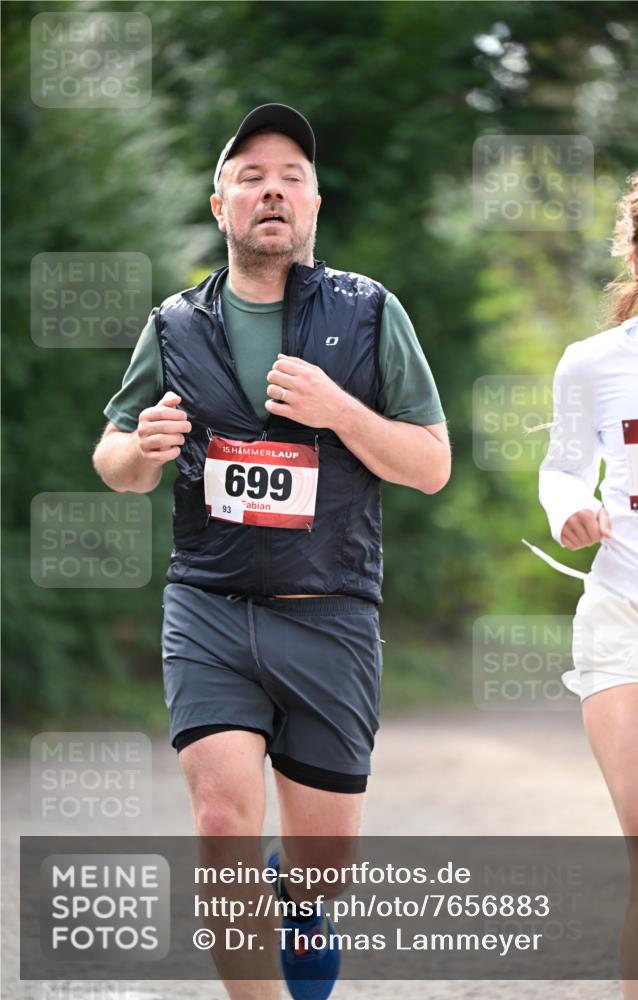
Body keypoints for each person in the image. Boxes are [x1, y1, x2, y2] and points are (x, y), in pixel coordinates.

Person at [92, 103, 450, 1000]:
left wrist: (339, 411)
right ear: (221, 207)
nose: (271, 190)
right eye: (250, 177)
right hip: (209, 608)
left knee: (324, 867)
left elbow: (432, 466)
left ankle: (301, 897)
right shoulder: (173, 325)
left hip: (327, 613)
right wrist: (141, 449)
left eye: (290, 176)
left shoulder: (369, 313)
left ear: (315, 204)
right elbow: (114, 460)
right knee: (220, 817)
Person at [538, 163, 638, 999]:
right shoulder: (592, 364)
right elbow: (561, 471)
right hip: (629, 612)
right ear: (637, 254)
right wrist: (568, 515)